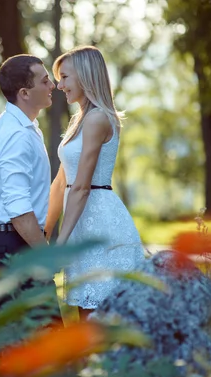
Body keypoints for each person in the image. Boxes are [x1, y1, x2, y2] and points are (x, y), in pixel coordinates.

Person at [44, 46, 145, 321]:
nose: (59, 84)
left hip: (100, 223)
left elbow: (81, 187)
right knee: (86, 316)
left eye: (65, 77)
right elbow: (61, 180)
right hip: (81, 222)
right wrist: (46, 229)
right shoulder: (80, 119)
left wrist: (60, 245)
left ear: (85, 76)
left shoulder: (99, 117)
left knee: (98, 322)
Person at [0, 54, 61, 323]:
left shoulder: (24, 127)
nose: (53, 85)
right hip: (16, 250)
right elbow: (18, 210)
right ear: (25, 93)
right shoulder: (16, 134)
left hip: (18, 245)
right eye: (45, 80)